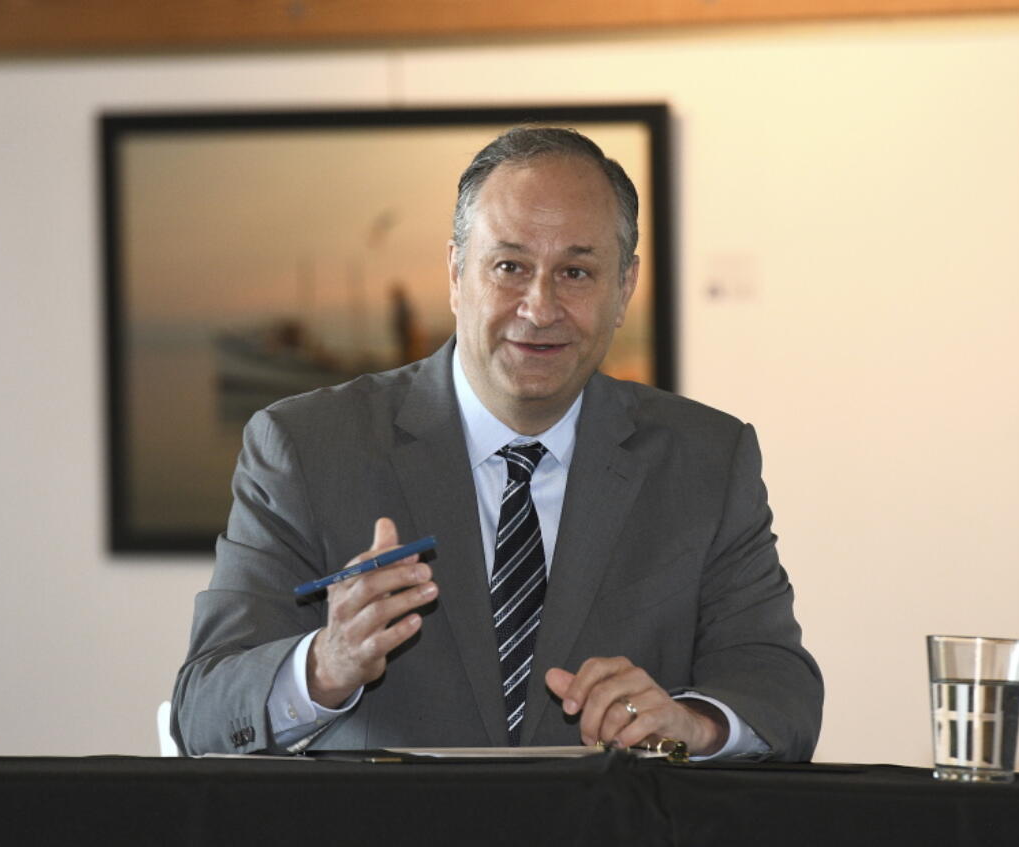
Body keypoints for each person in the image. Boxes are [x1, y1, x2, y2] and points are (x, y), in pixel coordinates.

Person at [172, 127, 823, 760]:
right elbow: (203, 706)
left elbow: (779, 688)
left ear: (624, 289)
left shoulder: (707, 458)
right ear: (457, 273)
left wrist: (693, 721)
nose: (539, 307)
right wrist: (325, 664)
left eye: (576, 271)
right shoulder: (305, 449)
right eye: (509, 266)